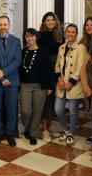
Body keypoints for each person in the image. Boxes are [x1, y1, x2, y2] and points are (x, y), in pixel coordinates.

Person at [0, 16, 21, 147]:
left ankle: (10, 133)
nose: (3, 27)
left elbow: (17, 61)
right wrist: (1, 77)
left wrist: (4, 73)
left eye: (5, 24)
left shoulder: (16, 41)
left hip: (12, 81)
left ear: (9, 25)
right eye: (0, 24)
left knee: (12, 109)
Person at [20, 28, 54, 145]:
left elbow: (49, 69)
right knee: (25, 111)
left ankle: (32, 134)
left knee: (37, 111)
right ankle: (27, 128)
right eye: (28, 36)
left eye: (32, 36)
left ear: (36, 37)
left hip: (40, 86)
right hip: (25, 85)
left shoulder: (43, 51)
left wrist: (50, 86)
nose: (30, 38)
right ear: (25, 38)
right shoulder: (23, 51)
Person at [54, 24, 86, 146]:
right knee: (58, 110)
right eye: (68, 32)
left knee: (73, 111)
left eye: (73, 32)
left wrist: (71, 82)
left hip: (74, 85)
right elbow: (57, 65)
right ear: (65, 33)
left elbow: (81, 67)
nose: (70, 34)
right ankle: (65, 129)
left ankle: (71, 133)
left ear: (76, 34)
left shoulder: (81, 48)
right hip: (61, 84)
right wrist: (59, 80)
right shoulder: (61, 47)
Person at [38, 12, 63, 142]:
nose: (50, 22)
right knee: (45, 99)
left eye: (52, 19)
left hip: (58, 70)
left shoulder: (60, 35)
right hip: (45, 69)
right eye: (48, 20)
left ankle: (51, 125)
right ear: (44, 22)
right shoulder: (40, 36)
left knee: (53, 99)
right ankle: (44, 129)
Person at [80, 16, 92, 147]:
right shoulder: (85, 44)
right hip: (90, 87)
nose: (89, 27)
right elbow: (83, 69)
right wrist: (86, 87)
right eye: (87, 25)